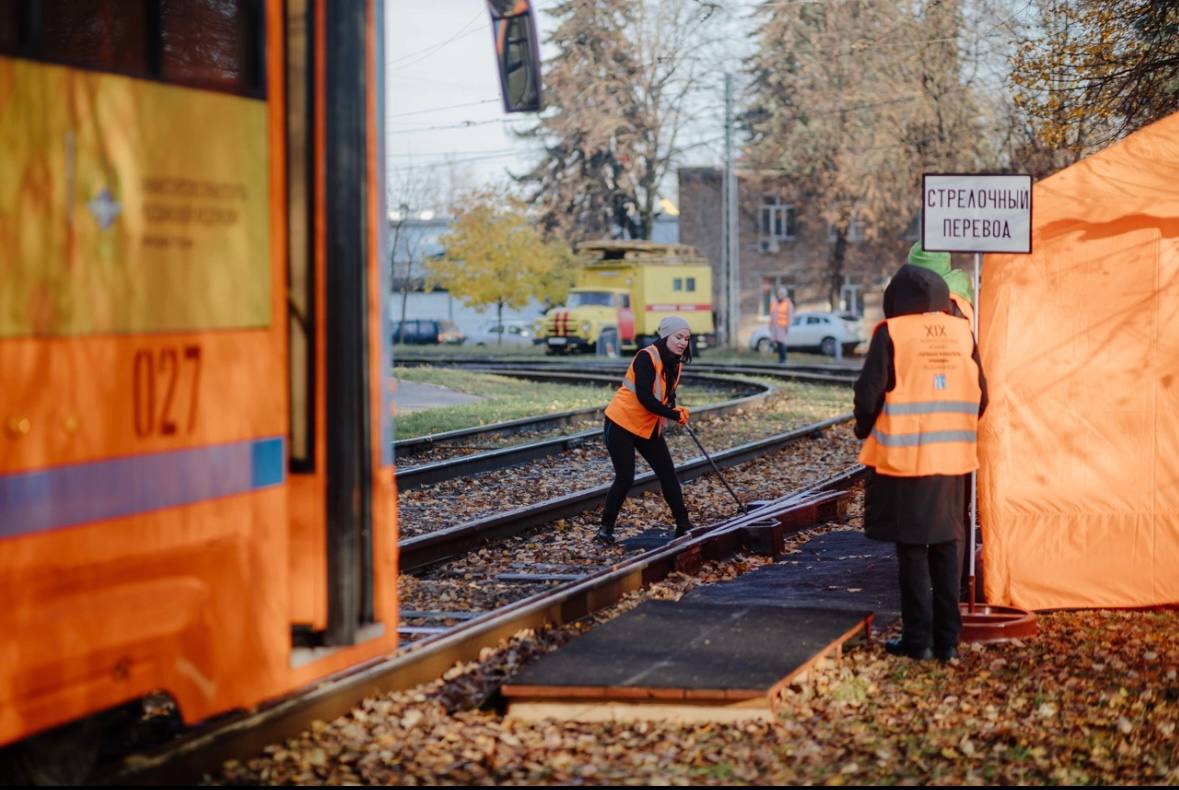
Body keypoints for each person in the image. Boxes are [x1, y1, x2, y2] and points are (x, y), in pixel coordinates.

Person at [854, 264, 988, 662]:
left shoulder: (892, 333)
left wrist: (866, 428)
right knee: (948, 545)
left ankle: (918, 641)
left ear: (896, 298)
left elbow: (867, 395)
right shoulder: (962, 332)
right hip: (955, 459)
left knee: (912, 549)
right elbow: (982, 396)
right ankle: (948, 642)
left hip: (906, 459)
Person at [597, 316, 694, 544]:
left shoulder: (675, 363)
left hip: (646, 425)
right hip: (621, 422)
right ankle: (605, 528)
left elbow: (667, 396)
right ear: (665, 336)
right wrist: (672, 414)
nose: (682, 343)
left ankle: (683, 525)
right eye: (678, 337)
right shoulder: (646, 356)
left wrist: (675, 409)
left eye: (686, 339)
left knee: (667, 473)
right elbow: (644, 398)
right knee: (625, 477)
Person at [769, 286, 793, 364]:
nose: (780, 295)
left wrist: (787, 326)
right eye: (779, 293)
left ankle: (784, 359)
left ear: (785, 294)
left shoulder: (788, 304)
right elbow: (772, 315)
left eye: (782, 294)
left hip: (783, 326)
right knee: (778, 343)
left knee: (782, 343)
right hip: (775, 327)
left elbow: (790, 316)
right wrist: (770, 325)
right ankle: (780, 359)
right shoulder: (775, 303)